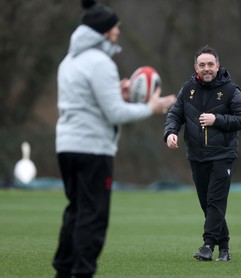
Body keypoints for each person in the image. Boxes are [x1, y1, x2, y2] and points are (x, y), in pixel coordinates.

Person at [52, 1, 175, 277]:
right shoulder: (100, 62)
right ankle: (82, 272)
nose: (119, 31)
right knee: (93, 216)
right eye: (115, 26)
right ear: (104, 31)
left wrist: (115, 92)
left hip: (67, 146)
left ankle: (63, 271)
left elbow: (88, 102)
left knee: (76, 210)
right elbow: (115, 113)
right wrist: (152, 108)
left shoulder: (69, 61)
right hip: (93, 148)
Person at [164, 45, 241, 262]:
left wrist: (217, 120)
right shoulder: (188, 89)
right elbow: (175, 115)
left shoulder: (231, 90)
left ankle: (207, 245)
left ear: (218, 66)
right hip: (197, 156)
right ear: (196, 67)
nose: (206, 69)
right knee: (207, 204)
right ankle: (224, 247)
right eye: (202, 65)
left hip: (223, 155)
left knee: (215, 202)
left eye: (210, 64)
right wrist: (170, 133)